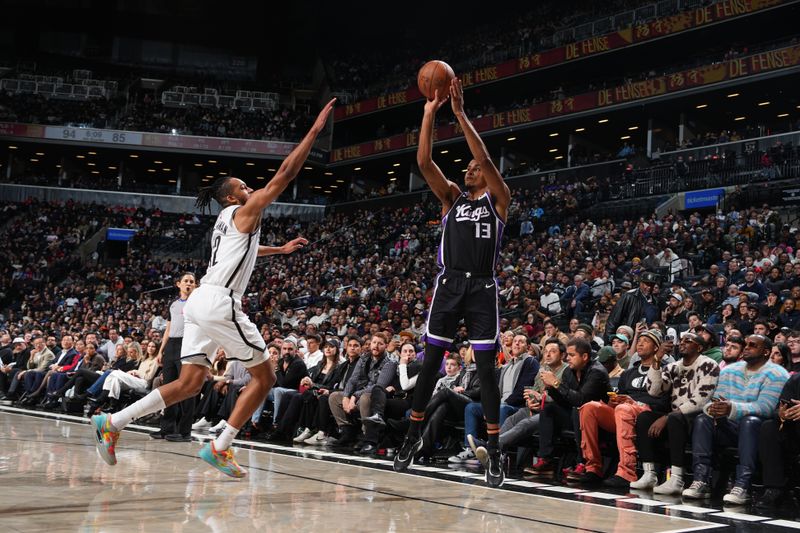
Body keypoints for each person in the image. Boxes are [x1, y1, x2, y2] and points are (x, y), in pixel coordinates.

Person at [91, 97, 336, 478]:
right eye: (242, 186)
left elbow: (243, 249)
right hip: (221, 301)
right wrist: (315, 131)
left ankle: (113, 422)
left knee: (188, 383)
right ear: (231, 196)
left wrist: (280, 249)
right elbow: (285, 174)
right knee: (266, 377)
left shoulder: (225, 218)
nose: (249, 187)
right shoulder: (246, 208)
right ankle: (221, 447)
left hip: (199, 301)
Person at [392, 77, 511, 488]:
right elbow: (425, 164)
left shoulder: (499, 200)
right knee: (429, 365)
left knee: (486, 371)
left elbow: (488, 162)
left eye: (474, 166)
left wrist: (459, 114)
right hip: (448, 285)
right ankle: (412, 437)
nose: (470, 167)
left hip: (482, 287)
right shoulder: (452, 198)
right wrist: (428, 117)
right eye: (468, 167)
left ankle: (495, 453)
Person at [683, 334, 789, 504]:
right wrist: (713, 409)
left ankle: (743, 485)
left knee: (750, 421)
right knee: (703, 419)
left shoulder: (777, 374)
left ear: (766, 352)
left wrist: (732, 408)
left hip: (756, 431)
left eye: (752, 345)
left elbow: (766, 407)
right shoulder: (729, 371)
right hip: (729, 428)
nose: (746, 347)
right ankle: (701, 480)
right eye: (746, 344)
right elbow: (713, 400)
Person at [630, 332, 720, 494]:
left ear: (699, 347)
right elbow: (654, 390)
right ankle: (649, 473)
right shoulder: (674, 366)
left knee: (675, 419)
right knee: (644, 418)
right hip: (675, 417)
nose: (682, 343)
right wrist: (657, 361)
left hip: (697, 418)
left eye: (688, 341)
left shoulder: (709, 364)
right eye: (681, 341)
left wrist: (668, 417)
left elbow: (701, 400)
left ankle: (677, 478)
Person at [152, 272, 197, 442]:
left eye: (192, 282)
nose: (189, 283)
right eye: (186, 281)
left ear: (195, 286)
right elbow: (168, 330)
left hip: (189, 345)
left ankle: (185, 431)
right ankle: (167, 428)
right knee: (169, 387)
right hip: (172, 346)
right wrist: (161, 351)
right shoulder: (173, 304)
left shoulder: (198, 304)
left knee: (187, 389)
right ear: (178, 284)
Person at [604, 271, 660, 340]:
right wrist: (609, 340)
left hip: (646, 340)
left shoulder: (655, 301)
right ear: (641, 283)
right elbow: (613, 320)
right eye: (647, 284)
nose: (649, 287)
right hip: (628, 339)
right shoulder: (629, 297)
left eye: (651, 285)